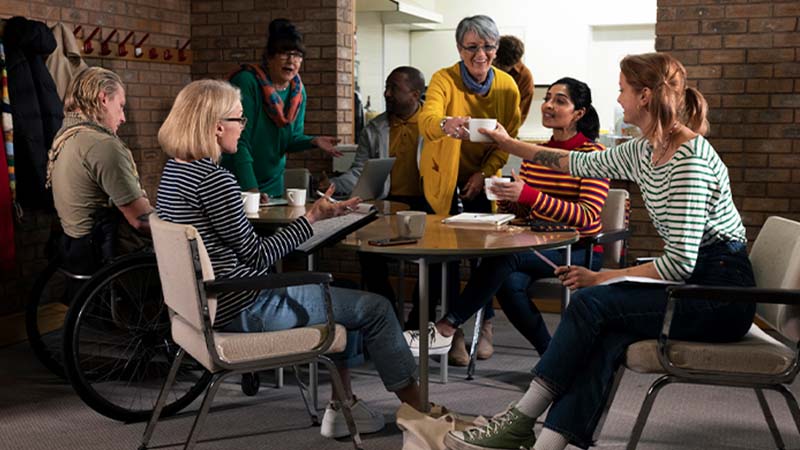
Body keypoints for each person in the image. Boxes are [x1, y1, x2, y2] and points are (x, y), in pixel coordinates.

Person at [444, 52, 756, 450]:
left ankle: (521, 418)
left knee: (590, 303)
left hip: (721, 296)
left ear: (645, 96)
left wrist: (601, 277)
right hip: (698, 282)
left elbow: (679, 264)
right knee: (607, 336)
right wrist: (507, 143)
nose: (619, 98)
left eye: (623, 90)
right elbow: (572, 162)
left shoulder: (688, 160)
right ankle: (547, 443)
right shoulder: (645, 149)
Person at [156, 79, 429, 440]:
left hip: (204, 308)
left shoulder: (174, 173)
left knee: (344, 292)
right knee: (377, 308)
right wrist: (312, 220)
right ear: (217, 125)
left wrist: (313, 220)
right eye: (240, 119)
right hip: (244, 306)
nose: (243, 127)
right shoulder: (215, 180)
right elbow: (256, 256)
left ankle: (343, 406)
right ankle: (422, 415)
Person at [407, 78, 609, 365]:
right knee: (507, 281)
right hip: (538, 247)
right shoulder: (534, 154)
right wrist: (508, 200)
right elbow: (526, 214)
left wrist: (529, 194)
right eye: (548, 98)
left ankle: (447, 326)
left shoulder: (593, 156)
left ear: (579, 113)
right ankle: (552, 357)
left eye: (560, 101)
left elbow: (587, 218)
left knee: (507, 259)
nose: (549, 105)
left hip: (578, 249)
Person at [415, 15, 522, 359]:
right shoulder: (443, 79)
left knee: (485, 256)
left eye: (488, 47)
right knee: (447, 256)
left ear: (497, 48)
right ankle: (456, 332)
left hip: (483, 176)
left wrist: (484, 173)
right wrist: (447, 123)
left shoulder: (507, 86)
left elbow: (509, 139)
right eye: (472, 47)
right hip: (444, 177)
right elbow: (426, 119)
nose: (481, 54)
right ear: (459, 48)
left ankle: (484, 324)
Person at [47, 66, 152, 276]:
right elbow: (140, 220)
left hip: (73, 249)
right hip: (103, 254)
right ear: (103, 98)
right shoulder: (101, 145)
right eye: (121, 106)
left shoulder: (64, 136)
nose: (123, 118)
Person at [222, 18, 341, 200]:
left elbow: (289, 140)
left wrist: (313, 141)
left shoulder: (298, 92)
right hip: (238, 183)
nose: (292, 60)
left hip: (273, 186)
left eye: (297, 55)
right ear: (269, 57)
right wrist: (251, 190)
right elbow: (240, 143)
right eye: (284, 53)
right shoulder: (247, 82)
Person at [321, 66, 426, 209]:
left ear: (415, 95)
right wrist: (334, 185)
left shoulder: (437, 126)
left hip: (429, 203)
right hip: (387, 202)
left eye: (394, 88)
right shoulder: (373, 129)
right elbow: (361, 172)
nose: (387, 94)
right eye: (386, 87)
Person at [494, 35, 534, 123]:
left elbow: (521, 111)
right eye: (497, 64)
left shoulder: (524, 76)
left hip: (507, 127)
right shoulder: (482, 66)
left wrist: (509, 132)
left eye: (503, 67)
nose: (499, 69)